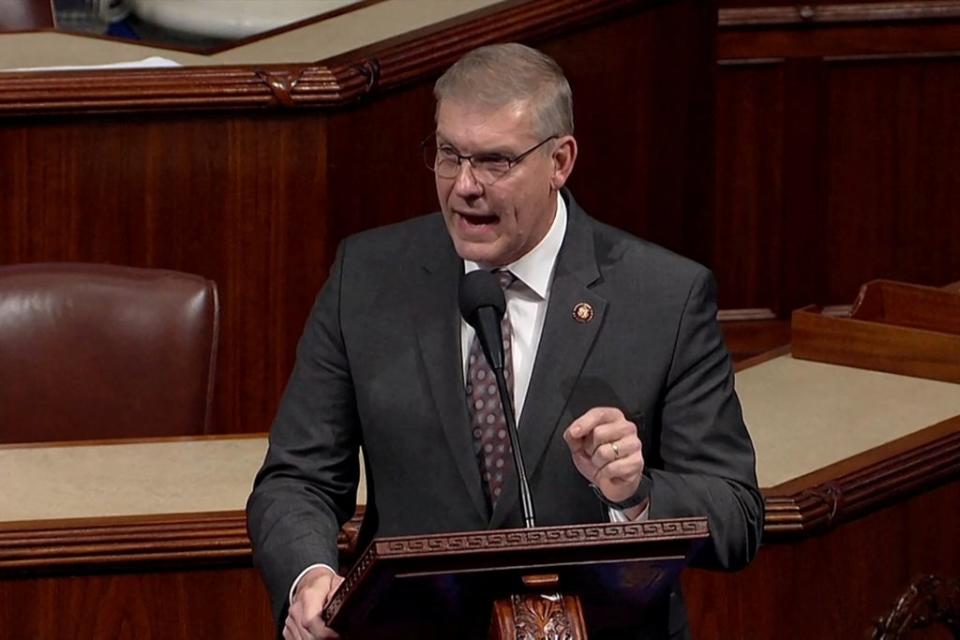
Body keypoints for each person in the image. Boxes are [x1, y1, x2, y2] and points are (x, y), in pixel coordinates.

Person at [247, 43, 763, 640]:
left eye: (495, 162)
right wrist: (310, 576)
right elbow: (297, 479)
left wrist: (637, 497)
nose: (465, 186)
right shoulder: (368, 278)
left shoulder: (663, 297)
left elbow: (737, 515)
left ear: (560, 160)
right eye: (448, 155)